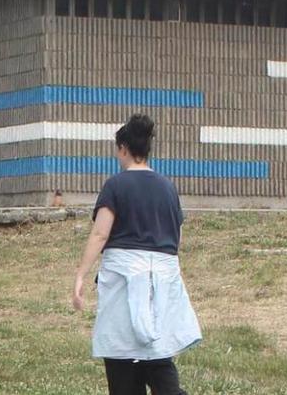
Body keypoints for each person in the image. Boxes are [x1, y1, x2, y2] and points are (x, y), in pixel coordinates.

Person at [72, 113, 202, 395]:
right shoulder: (168, 187)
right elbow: (175, 239)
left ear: (123, 148)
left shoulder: (116, 185)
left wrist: (80, 275)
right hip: (161, 284)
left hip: (124, 283)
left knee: (122, 359)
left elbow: (100, 233)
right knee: (157, 353)